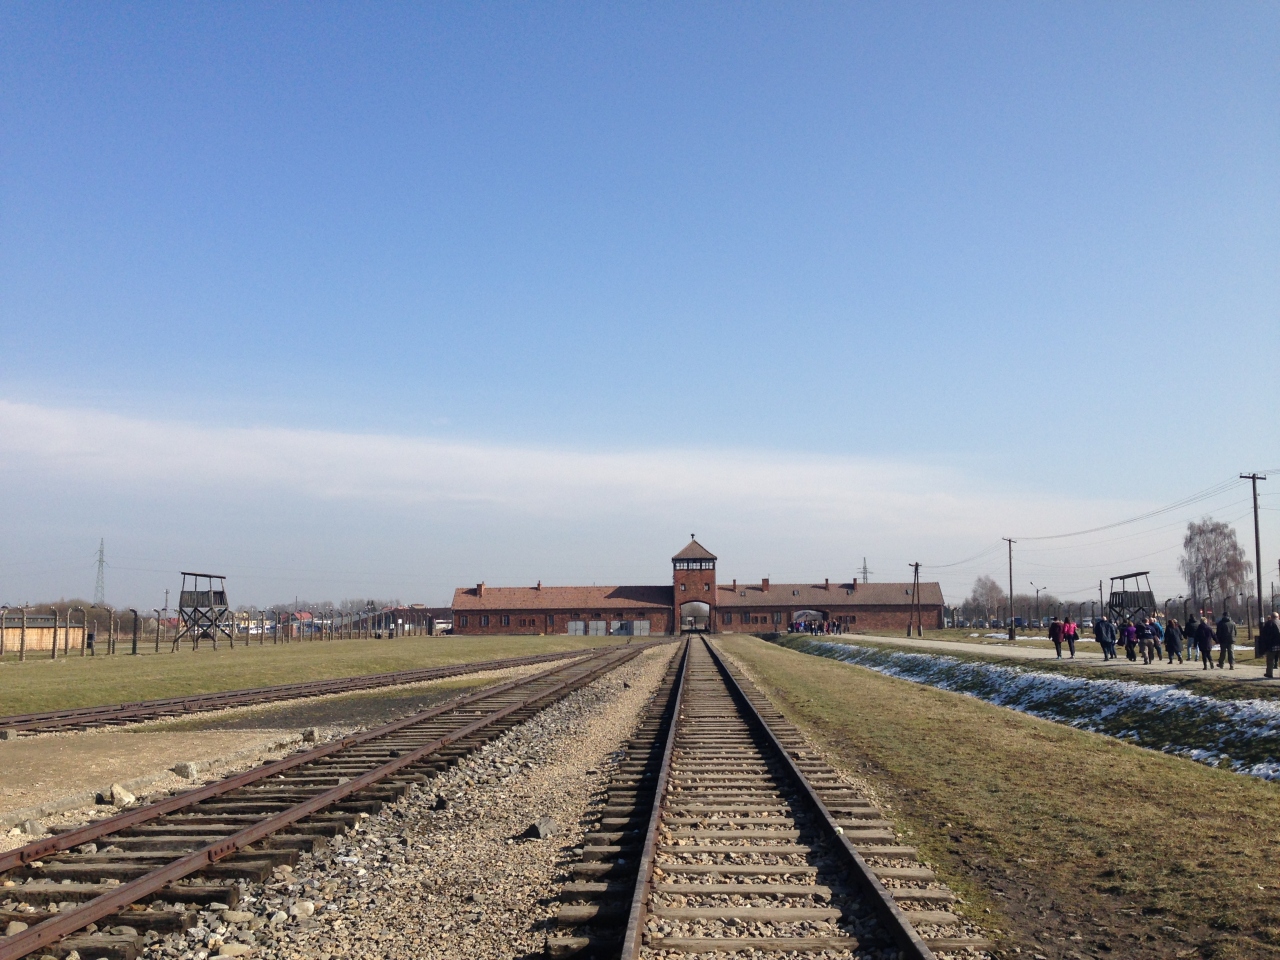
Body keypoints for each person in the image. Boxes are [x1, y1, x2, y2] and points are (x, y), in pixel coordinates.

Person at [1261, 612, 1280, 679]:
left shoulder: (1269, 623)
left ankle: (1269, 673)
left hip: (1272, 645)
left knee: (1270, 660)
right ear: (1278, 617)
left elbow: (1264, 635)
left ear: (1271, 617)